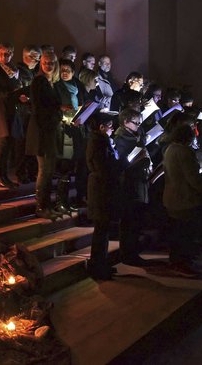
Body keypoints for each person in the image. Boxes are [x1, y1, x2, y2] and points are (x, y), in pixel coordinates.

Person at [26, 52, 71, 219]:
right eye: (45, 63)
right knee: (45, 170)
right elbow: (39, 107)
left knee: (49, 170)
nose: (48, 66)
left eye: (52, 63)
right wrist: (59, 109)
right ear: (41, 64)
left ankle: (47, 205)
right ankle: (41, 207)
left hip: (50, 131)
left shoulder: (51, 82)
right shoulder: (39, 81)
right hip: (42, 131)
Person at [162, 123, 202, 277]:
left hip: (171, 196)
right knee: (185, 233)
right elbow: (192, 177)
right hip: (184, 198)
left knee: (177, 231)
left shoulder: (170, 149)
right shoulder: (184, 152)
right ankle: (181, 263)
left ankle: (177, 261)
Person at [114, 108, 152, 266]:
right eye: (136, 123)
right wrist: (139, 157)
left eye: (139, 123)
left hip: (139, 182)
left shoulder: (136, 137)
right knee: (129, 221)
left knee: (136, 220)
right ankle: (128, 254)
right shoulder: (121, 139)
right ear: (125, 122)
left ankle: (133, 252)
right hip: (129, 184)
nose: (138, 126)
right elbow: (122, 163)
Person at [86, 111, 120, 280]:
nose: (112, 129)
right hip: (101, 190)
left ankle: (102, 263)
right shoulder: (98, 143)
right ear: (101, 127)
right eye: (110, 126)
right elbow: (103, 167)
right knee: (101, 230)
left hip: (103, 188)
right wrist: (119, 163)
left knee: (103, 229)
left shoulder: (101, 141)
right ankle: (98, 266)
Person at [0, 42, 24, 188]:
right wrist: (9, 94)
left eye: (7, 54)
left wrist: (19, 95)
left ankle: (4, 176)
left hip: (11, 108)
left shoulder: (13, 69)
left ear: (12, 54)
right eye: (0, 53)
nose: (3, 56)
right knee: (2, 141)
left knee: (8, 142)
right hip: (1, 108)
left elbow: (16, 86)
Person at [55, 58, 88, 210]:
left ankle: (77, 198)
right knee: (66, 164)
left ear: (73, 72)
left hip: (78, 127)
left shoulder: (78, 85)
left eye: (68, 70)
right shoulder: (56, 86)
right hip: (64, 128)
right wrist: (62, 108)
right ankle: (61, 200)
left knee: (79, 163)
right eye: (62, 70)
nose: (64, 73)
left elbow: (83, 101)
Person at [14, 45, 41, 184]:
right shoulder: (18, 72)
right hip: (23, 113)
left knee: (32, 143)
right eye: (35, 57)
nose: (37, 60)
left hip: (33, 112)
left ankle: (32, 171)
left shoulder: (36, 72)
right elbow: (17, 92)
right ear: (26, 57)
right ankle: (21, 172)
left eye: (38, 57)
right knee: (22, 144)